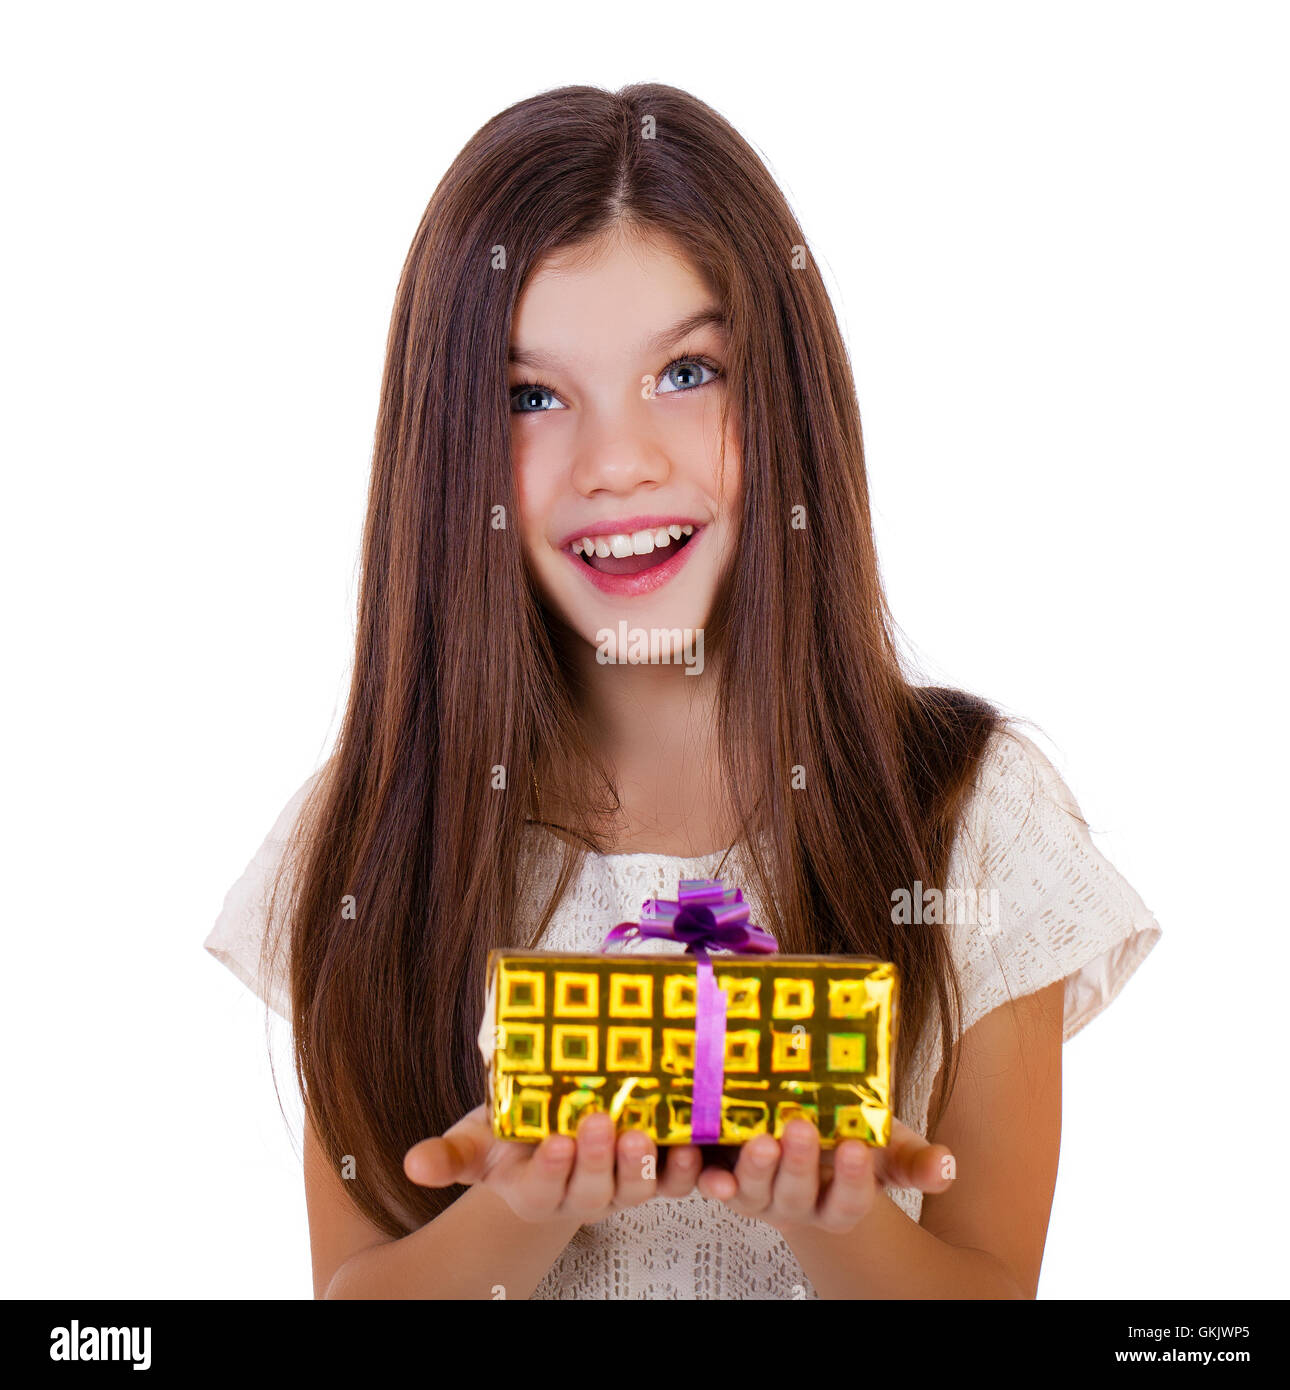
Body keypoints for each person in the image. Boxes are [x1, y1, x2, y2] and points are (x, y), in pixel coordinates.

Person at [205, 83, 1162, 1300]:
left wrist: (836, 1215)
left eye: (688, 371)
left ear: (788, 401)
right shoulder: (380, 831)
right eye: (531, 396)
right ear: (446, 442)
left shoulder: (971, 820)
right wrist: (516, 1204)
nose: (619, 462)